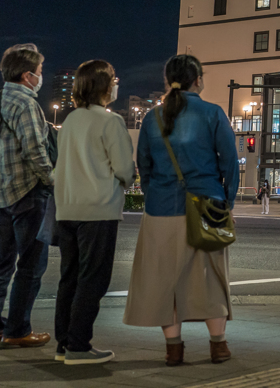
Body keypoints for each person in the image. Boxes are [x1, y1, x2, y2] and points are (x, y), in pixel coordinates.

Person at [123, 55, 240, 367]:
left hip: (161, 208)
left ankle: (173, 349)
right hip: (207, 205)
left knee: (165, 281)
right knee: (211, 278)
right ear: (197, 80)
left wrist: (155, 195)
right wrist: (227, 201)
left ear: (167, 81)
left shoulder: (153, 118)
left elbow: (144, 165)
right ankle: (218, 345)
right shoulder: (213, 113)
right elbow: (230, 162)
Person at [52, 60, 135, 365]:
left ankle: (64, 343)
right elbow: (124, 169)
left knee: (70, 278)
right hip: (98, 209)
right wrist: (128, 180)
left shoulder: (70, 120)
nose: (116, 84)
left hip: (67, 208)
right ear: (104, 85)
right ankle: (78, 345)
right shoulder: (110, 122)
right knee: (93, 279)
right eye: (113, 79)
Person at [0, 43, 55, 349]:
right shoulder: (26, 104)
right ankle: (18, 330)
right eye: (39, 71)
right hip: (27, 193)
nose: (40, 76)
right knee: (31, 266)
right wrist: (51, 179)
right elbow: (35, 150)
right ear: (27, 75)